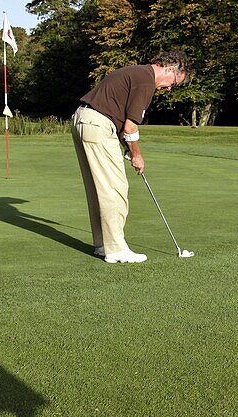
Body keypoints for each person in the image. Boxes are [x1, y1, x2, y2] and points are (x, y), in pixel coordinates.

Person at [71, 51, 190, 263]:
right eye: (173, 82)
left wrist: (127, 147)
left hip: (83, 119)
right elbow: (130, 126)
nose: (169, 88)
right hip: (98, 124)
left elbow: (121, 119)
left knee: (98, 188)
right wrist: (137, 155)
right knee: (115, 188)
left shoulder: (137, 73)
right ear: (170, 69)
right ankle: (116, 249)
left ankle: (103, 244)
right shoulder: (146, 81)